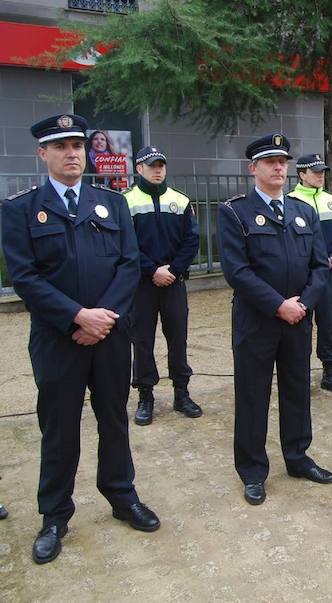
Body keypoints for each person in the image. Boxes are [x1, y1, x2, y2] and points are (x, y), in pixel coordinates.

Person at [2, 114, 160, 565]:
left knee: (114, 418)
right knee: (58, 428)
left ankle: (121, 496)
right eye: (61, 146)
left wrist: (102, 319)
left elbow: (130, 265)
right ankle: (54, 515)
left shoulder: (111, 203)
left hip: (109, 335)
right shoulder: (19, 209)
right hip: (58, 338)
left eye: (78, 145)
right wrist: (76, 317)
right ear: (43, 154)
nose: (72, 153)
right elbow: (25, 278)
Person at [217, 133, 332, 506]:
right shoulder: (235, 212)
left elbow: (320, 265)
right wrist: (278, 305)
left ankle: (297, 457)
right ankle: (253, 470)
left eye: (283, 160)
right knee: (252, 396)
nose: (279, 167)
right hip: (258, 321)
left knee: (298, 390)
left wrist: (304, 303)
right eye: (270, 162)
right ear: (254, 168)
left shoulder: (305, 211)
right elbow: (237, 271)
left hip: (297, 319)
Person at [124, 146, 201, 425]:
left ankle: (182, 393)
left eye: (161, 165)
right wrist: (152, 270)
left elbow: (192, 240)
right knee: (142, 341)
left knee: (177, 338)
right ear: (139, 169)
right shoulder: (126, 201)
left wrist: (173, 270)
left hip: (173, 282)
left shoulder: (180, 200)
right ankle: (146, 395)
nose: (158, 170)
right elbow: (126, 245)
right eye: (152, 165)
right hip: (142, 286)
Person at [288, 153, 332, 395]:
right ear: (302, 174)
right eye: (315, 171)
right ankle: (298, 376)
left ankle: (329, 373)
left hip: (327, 273)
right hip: (300, 276)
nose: (320, 175)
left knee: (327, 322)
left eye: (323, 171)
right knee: (300, 325)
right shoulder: (289, 202)